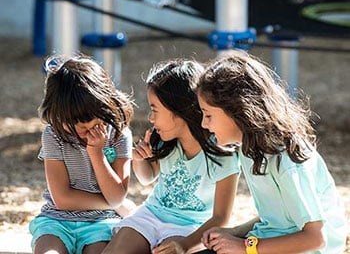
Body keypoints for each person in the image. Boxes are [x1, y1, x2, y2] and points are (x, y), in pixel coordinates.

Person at [195, 50, 346, 254]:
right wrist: (234, 233)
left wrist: (245, 247)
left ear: (237, 110)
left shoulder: (286, 160)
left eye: (208, 115)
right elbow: (279, 215)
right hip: (269, 244)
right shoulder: (249, 149)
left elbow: (315, 238)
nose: (204, 124)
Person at [102, 59, 240, 254]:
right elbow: (146, 178)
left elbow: (220, 218)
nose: (150, 118)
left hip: (189, 227)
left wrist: (184, 245)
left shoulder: (222, 153)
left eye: (155, 109)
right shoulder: (165, 140)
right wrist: (140, 160)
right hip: (150, 216)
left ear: (178, 109)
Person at [29, 54, 135, 254]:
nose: (83, 130)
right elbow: (62, 199)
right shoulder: (54, 135)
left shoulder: (120, 135)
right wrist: (115, 204)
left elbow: (116, 194)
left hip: (101, 222)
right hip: (56, 220)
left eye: (92, 123)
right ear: (56, 113)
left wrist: (97, 153)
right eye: (73, 123)